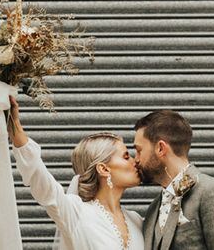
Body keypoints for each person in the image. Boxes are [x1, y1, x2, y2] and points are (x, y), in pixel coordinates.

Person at [8, 96, 145, 250]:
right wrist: (15, 129)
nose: (136, 161)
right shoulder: (76, 213)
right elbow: (43, 184)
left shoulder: (137, 221)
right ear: (104, 169)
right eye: (126, 156)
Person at [133, 110, 214, 250]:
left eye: (139, 150)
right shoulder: (153, 208)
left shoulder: (212, 192)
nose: (135, 159)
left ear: (161, 148)